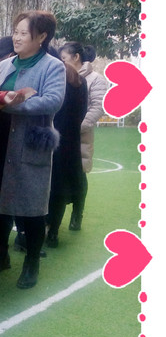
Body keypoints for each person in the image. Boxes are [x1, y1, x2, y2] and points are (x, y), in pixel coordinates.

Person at [0, 11, 65, 289]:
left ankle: (32, 263)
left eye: (23, 33)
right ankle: (1, 255)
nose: (16, 38)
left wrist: (12, 104)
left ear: (41, 36)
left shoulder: (53, 66)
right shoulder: (5, 64)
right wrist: (0, 101)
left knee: (31, 207)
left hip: (28, 144)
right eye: (15, 32)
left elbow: (52, 101)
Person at [64, 43, 108, 230]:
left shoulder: (95, 79)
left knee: (79, 175)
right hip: (61, 134)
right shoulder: (60, 75)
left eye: (64, 59)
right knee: (59, 175)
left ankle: (77, 214)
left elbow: (98, 106)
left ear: (76, 57)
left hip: (80, 135)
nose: (61, 62)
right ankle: (53, 219)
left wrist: (76, 127)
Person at [46, 53, 88, 247]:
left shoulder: (55, 76)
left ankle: (48, 228)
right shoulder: (78, 80)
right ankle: (53, 232)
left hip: (52, 138)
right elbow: (82, 111)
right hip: (70, 141)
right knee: (61, 188)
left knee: (51, 187)